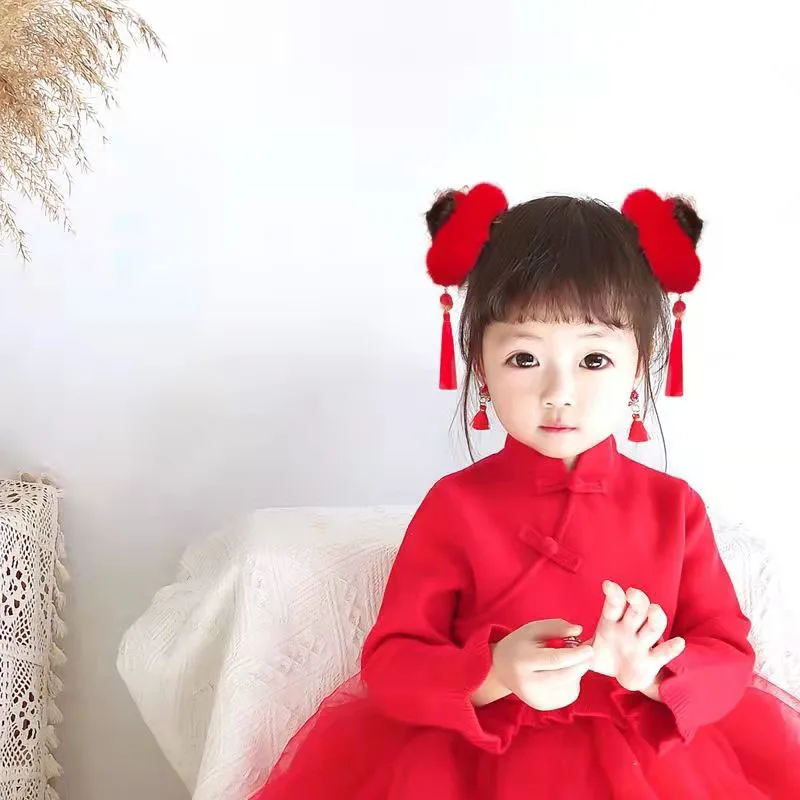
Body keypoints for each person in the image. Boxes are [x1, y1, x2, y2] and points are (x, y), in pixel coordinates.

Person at [251, 184, 800, 798]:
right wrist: (496, 672)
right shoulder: (455, 505)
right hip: (471, 763)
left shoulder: (673, 507)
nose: (558, 393)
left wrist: (649, 674)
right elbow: (392, 662)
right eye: (523, 359)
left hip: (651, 764)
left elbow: (728, 653)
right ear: (480, 366)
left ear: (640, 366)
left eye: (594, 360)